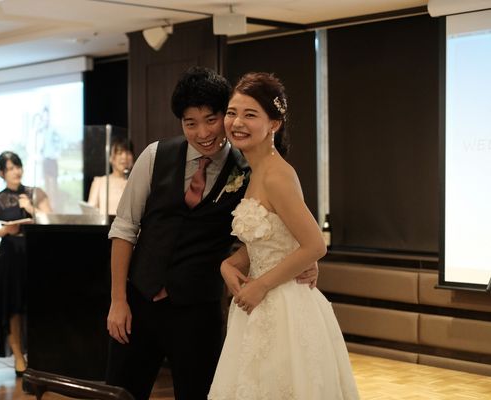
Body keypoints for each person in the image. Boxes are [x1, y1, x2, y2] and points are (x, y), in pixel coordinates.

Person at [105, 66, 318, 400]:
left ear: (224, 118)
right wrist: (118, 300)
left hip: (197, 310)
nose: (202, 132)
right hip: (139, 303)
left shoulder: (249, 171)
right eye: (190, 123)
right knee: (120, 394)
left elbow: (273, 230)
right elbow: (124, 229)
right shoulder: (154, 156)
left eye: (211, 119)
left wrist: (302, 258)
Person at [208, 72, 359, 399]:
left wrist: (261, 285)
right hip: (258, 302)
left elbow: (314, 244)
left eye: (250, 115)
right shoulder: (255, 171)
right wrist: (228, 265)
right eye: (232, 113)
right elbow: (269, 240)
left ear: (274, 124)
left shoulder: (276, 176)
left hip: (282, 305)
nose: (237, 122)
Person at [0, 151, 52, 376]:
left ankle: (37, 352)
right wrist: (7, 229)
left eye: (18, 166)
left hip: (34, 253)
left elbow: (51, 219)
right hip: (10, 256)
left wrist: (31, 208)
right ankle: (18, 356)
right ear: (1, 173)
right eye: (11, 168)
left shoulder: (35, 193)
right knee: (13, 307)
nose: (16, 171)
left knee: (34, 304)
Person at [87, 139, 134, 215]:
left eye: (128, 153)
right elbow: (90, 214)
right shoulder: (100, 182)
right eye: (119, 153)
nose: (124, 157)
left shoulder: (138, 183)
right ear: (110, 158)